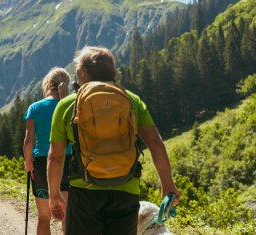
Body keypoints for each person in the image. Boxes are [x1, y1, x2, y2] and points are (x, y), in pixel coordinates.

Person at [47, 46, 181, 234]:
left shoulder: (67, 105)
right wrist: (167, 184)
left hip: (84, 191)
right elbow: (155, 143)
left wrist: (54, 195)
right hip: (125, 190)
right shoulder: (131, 100)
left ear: (82, 73)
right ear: (112, 71)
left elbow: (55, 157)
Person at [23, 67, 72, 235]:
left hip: (42, 163)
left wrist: (28, 164)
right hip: (69, 161)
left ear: (47, 84)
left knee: (44, 217)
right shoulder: (72, 105)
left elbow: (29, 141)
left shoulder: (35, 108)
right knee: (68, 216)